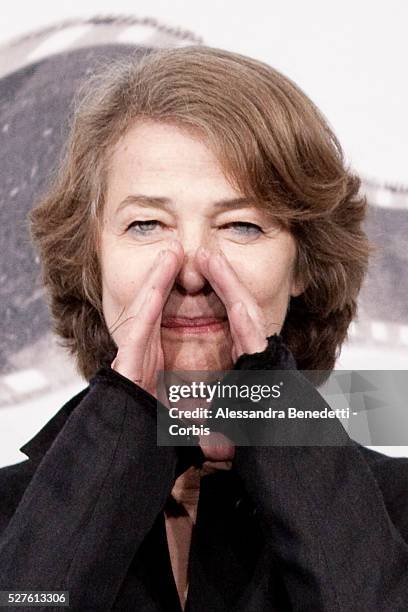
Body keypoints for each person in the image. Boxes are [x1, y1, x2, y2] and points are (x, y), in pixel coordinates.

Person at [0, 45, 407, 611]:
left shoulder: (397, 510)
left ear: (302, 266)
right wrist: (121, 423)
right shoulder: (10, 519)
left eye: (240, 226)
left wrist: (269, 411)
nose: (191, 268)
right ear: (91, 260)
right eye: (146, 224)